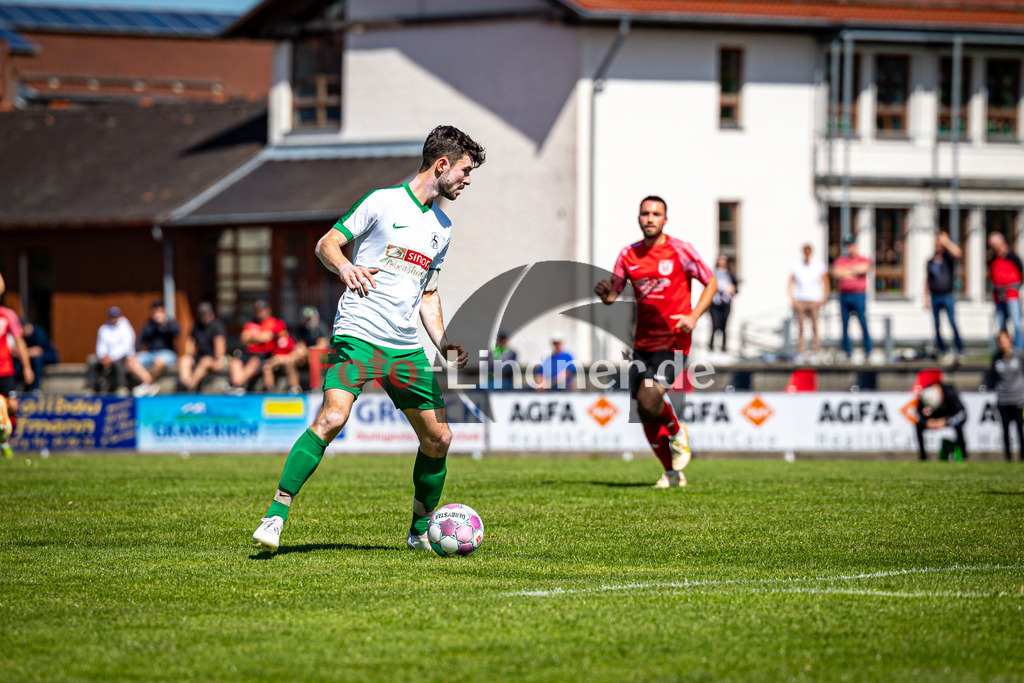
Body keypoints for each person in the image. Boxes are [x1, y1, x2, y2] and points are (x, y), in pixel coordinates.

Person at [252, 125, 484, 552]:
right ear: (442, 164)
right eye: (466, 171)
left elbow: (427, 291)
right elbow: (328, 244)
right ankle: (275, 516)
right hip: (358, 333)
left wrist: (443, 342)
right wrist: (345, 268)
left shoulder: (443, 228)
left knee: (439, 438)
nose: (467, 181)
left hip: (404, 345)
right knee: (332, 419)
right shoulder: (382, 201)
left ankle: (419, 531)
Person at [594, 195, 716, 488]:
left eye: (655, 214)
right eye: (645, 213)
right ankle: (672, 473)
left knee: (650, 397)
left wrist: (693, 316)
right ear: (639, 218)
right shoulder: (628, 255)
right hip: (642, 343)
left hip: (673, 341)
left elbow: (710, 282)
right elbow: (614, 294)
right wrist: (605, 295)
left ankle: (676, 431)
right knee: (643, 410)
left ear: (665, 219)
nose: (649, 218)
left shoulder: (680, 251)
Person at [229, 299, 288, 394]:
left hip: (266, 355)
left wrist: (252, 337)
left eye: (261, 310)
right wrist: (260, 336)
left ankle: (237, 384)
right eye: (257, 310)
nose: (259, 313)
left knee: (255, 362)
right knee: (235, 362)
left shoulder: (276, 323)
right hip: (250, 353)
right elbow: (243, 338)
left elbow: (277, 338)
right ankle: (237, 386)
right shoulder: (250, 323)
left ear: (268, 310)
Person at [831, 235, 873, 362]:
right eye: (847, 245)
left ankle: (868, 350)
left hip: (859, 295)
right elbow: (836, 273)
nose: (850, 247)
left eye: (852, 245)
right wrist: (853, 271)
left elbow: (864, 268)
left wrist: (847, 271)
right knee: (844, 324)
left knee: (863, 323)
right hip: (844, 296)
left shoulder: (863, 259)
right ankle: (847, 351)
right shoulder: (841, 260)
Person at [926, 231, 965, 362]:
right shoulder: (931, 261)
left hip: (947, 294)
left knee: (952, 322)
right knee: (936, 324)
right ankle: (941, 349)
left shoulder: (948, 258)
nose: (938, 244)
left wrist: (946, 242)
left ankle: (959, 348)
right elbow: (927, 280)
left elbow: (958, 253)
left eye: (940, 242)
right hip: (934, 295)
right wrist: (925, 297)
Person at [0, 306, 33, 458]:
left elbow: (20, 342)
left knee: (13, 406)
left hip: (5, 370)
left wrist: (27, 367)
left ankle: (6, 442)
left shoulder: (8, 315)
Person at [789, 243, 830, 359]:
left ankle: (815, 351)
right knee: (801, 328)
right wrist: (792, 298)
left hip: (814, 300)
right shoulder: (797, 266)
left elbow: (825, 282)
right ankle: (801, 351)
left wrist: (823, 298)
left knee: (815, 327)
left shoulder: (818, 266)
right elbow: (791, 282)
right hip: (801, 300)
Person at [132, 301, 180, 396]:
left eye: (159, 311)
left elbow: (177, 332)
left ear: (164, 312)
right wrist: (135, 353)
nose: (157, 314)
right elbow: (140, 341)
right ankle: (149, 383)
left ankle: (146, 386)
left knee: (158, 361)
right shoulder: (148, 325)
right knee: (131, 361)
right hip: (150, 354)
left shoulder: (170, 323)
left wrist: (163, 323)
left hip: (167, 353)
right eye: (154, 312)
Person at [86, 307, 136, 395]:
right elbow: (100, 345)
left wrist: (112, 357)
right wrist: (103, 356)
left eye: (116, 316)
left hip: (120, 356)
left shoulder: (126, 328)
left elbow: (126, 347)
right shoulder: (103, 329)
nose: (114, 319)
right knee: (91, 361)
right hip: (106, 357)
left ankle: (122, 387)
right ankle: (91, 388)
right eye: (112, 316)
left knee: (118, 363)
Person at [991, 329, 1024, 461]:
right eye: (1000, 341)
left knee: (1019, 429)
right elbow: (993, 376)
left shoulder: (1018, 355)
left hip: (1018, 398)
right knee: (1005, 430)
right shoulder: (996, 358)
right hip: (1003, 399)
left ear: (1009, 340)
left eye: (1004, 340)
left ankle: (1022, 456)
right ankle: (1008, 457)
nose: (1002, 343)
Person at [178, 302, 226, 392]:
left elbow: (220, 343)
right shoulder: (196, 324)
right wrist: (189, 355)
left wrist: (219, 360)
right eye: (202, 314)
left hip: (211, 358)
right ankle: (185, 382)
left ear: (211, 313)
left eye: (205, 313)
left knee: (205, 361)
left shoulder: (217, 325)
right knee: (184, 360)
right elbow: (191, 342)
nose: (204, 316)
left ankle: (191, 386)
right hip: (199, 355)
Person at [987, 232, 1024, 351]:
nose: (993, 248)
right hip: (999, 297)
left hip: (1011, 295)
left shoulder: (1012, 257)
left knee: (1016, 324)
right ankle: (1003, 349)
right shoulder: (993, 259)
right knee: (1001, 325)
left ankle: (1018, 350)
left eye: (994, 245)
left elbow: (1021, 273)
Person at [915, 380, 967, 461]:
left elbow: (962, 414)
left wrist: (945, 421)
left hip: (948, 416)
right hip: (933, 418)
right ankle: (923, 457)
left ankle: (964, 455)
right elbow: (919, 414)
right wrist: (926, 422)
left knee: (958, 427)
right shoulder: (926, 395)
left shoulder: (950, 393)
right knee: (918, 426)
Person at [289, 306, 331, 390]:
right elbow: (300, 344)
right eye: (306, 318)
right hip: (307, 354)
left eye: (309, 318)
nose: (307, 321)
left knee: (314, 356)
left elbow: (322, 346)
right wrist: (300, 351)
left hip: (324, 355)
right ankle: (294, 387)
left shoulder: (321, 327)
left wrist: (307, 350)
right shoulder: (302, 329)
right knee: (290, 359)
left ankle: (315, 387)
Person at [15, 318, 59, 393]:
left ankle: (35, 388)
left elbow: (38, 351)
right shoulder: (22, 337)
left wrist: (24, 353)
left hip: (48, 356)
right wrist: (25, 353)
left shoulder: (38, 332)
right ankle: (17, 386)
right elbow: (16, 352)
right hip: (31, 357)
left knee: (36, 359)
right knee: (18, 362)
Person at [709, 254, 736, 353]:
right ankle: (711, 348)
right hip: (715, 303)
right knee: (715, 326)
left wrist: (732, 289)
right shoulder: (713, 273)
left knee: (724, 327)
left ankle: (724, 349)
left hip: (725, 302)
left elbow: (735, 287)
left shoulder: (729, 274)